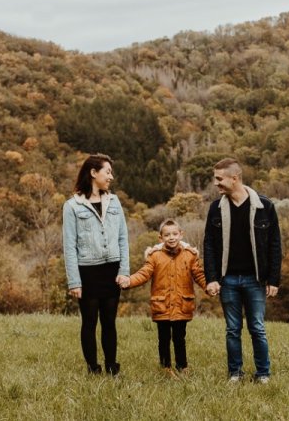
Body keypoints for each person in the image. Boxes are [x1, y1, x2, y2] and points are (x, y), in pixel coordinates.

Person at [203, 158, 281, 384]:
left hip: (255, 279)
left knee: (257, 327)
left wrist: (273, 279)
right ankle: (235, 373)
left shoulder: (265, 206)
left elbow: (275, 245)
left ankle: (263, 373)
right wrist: (212, 278)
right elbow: (209, 245)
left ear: (234, 178)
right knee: (232, 329)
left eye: (219, 179)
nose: (216, 183)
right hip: (227, 280)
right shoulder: (215, 208)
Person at [62, 153, 130, 376]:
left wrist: (124, 271)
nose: (111, 176)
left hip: (112, 268)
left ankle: (112, 366)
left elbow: (123, 238)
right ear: (93, 173)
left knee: (109, 321)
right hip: (87, 271)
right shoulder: (72, 206)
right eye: (107, 171)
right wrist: (74, 281)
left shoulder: (115, 201)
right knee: (89, 322)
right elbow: (69, 246)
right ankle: (93, 368)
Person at [119, 219, 207, 377]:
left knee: (180, 338)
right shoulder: (155, 256)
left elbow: (199, 274)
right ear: (161, 238)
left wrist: (209, 286)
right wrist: (129, 281)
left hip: (182, 304)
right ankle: (165, 367)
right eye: (167, 235)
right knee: (164, 338)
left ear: (181, 234)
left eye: (174, 234)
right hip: (162, 305)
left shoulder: (190, 256)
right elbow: (144, 274)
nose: (171, 237)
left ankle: (182, 366)